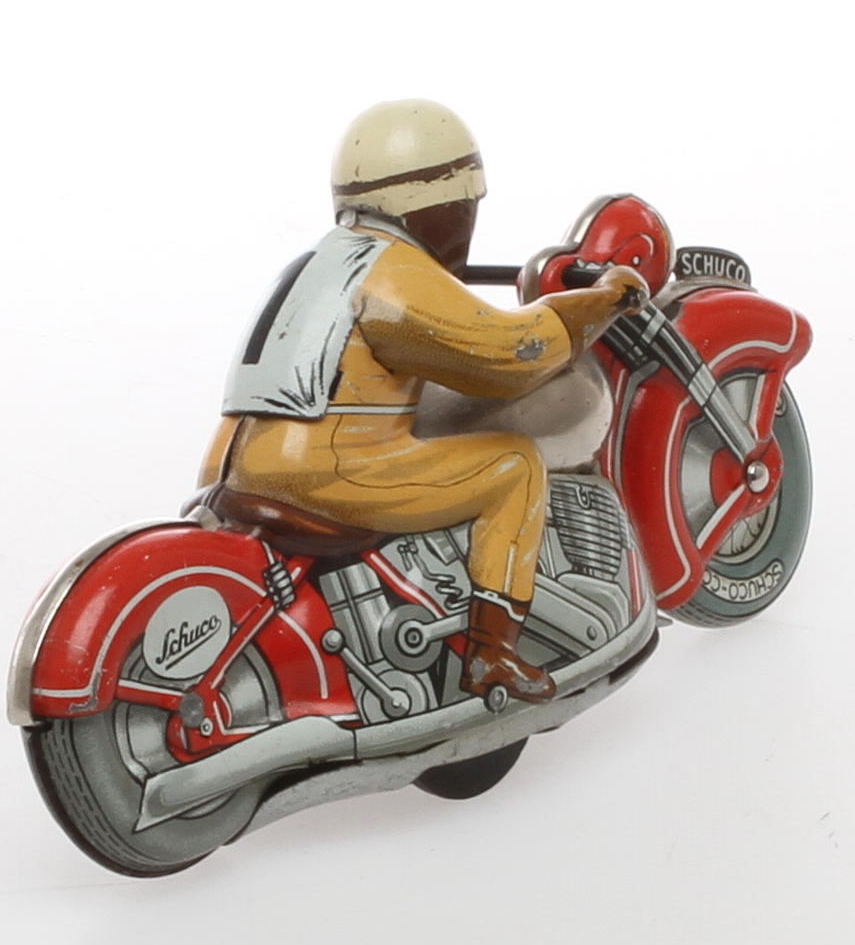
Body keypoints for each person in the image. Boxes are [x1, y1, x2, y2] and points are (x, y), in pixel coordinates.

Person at [201, 100, 647, 704]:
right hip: (323, 470)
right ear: (434, 203)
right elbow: (507, 354)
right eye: (467, 206)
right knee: (513, 465)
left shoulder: (314, 261)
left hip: (231, 464)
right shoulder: (393, 270)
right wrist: (601, 300)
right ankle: (492, 654)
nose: (469, 222)